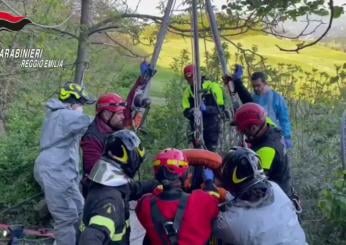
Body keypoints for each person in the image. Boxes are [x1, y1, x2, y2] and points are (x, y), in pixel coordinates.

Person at [34, 82, 95, 245]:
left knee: (80, 208)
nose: (82, 107)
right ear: (73, 102)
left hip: (60, 171)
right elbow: (92, 122)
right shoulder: (65, 115)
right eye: (81, 103)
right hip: (55, 171)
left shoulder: (59, 116)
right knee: (66, 217)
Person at [79, 129, 158, 245]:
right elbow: (90, 239)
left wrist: (158, 183)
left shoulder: (105, 184)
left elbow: (133, 189)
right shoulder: (110, 200)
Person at [213, 147, 306, 245]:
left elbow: (213, 226)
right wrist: (227, 195)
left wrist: (211, 190)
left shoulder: (230, 224)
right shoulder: (275, 188)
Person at [136, 148, 220, 245]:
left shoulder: (144, 204)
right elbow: (214, 197)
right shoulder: (202, 200)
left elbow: (155, 194)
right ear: (184, 174)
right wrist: (209, 181)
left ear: (157, 174)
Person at [225, 65, 293, 149]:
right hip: (256, 136)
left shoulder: (276, 98)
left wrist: (287, 136)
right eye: (254, 86)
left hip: (272, 136)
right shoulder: (254, 97)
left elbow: (284, 119)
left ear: (265, 83)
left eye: (258, 85)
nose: (256, 88)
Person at [233, 102, 292, 196]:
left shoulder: (266, 151)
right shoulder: (267, 124)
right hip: (283, 186)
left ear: (253, 128)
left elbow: (251, 184)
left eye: (244, 131)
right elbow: (253, 112)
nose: (243, 134)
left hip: (275, 200)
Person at [81, 93, 126, 177]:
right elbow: (94, 170)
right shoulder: (92, 138)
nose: (123, 117)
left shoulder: (114, 130)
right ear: (106, 114)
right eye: (119, 113)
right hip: (96, 186)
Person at [182, 64, 225, 152]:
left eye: (192, 77)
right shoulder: (188, 92)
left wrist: (206, 109)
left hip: (212, 128)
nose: (190, 81)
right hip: (196, 129)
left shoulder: (212, 87)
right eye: (188, 79)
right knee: (197, 155)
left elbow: (220, 109)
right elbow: (185, 111)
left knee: (210, 153)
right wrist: (191, 111)